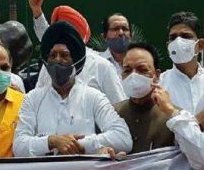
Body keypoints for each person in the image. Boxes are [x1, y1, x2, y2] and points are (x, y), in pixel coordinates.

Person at [13, 22, 132, 156]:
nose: (57, 60)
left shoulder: (93, 97)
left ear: (76, 61)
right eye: (52, 55)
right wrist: (51, 141)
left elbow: (123, 138)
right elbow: (19, 146)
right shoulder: (33, 98)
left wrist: (81, 145)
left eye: (64, 55)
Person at [113, 43, 203, 169]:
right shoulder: (111, 113)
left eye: (142, 70)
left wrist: (172, 112)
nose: (133, 76)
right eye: (127, 70)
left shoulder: (175, 117)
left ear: (157, 75)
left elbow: (200, 158)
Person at [28, 0, 126, 104]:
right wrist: (37, 13)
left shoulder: (101, 66)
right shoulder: (49, 66)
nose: (59, 37)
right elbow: (37, 104)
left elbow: (120, 109)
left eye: (66, 33)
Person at [159, 11, 204, 116]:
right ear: (168, 46)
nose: (178, 41)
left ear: (200, 45)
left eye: (185, 36)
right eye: (173, 37)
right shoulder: (159, 85)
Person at [99, 13, 132, 77]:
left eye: (125, 29)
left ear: (131, 35)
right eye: (115, 29)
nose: (121, 33)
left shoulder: (141, 62)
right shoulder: (97, 63)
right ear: (104, 36)